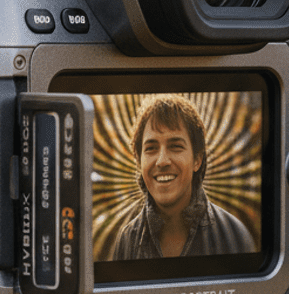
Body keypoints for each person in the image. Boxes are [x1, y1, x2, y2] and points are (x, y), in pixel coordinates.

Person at [109, 95, 256, 260]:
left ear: (197, 160)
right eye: (151, 148)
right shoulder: (127, 240)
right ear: (138, 161)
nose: (162, 161)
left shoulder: (233, 235)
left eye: (175, 146)